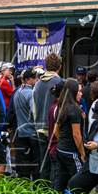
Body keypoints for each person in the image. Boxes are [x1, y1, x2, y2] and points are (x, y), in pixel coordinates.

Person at [33, 53, 64, 181]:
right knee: (55, 164)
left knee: (43, 164)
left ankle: (43, 193)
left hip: (40, 128)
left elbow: (33, 108)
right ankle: (53, 193)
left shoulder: (38, 84)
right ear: (60, 66)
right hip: (54, 129)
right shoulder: (60, 82)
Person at [54, 79, 86, 192]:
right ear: (73, 92)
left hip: (61, 149)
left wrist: (62, 141)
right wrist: (82, 154)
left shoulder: (61, 106)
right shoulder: (74, 110)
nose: (81, 94)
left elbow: (55, 130)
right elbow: (76, 135)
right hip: (72, 152)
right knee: (79, 184)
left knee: (60, 183)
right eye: (79, 91)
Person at [13, 68, 38, 180]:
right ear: (28, 80)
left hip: (20, 131)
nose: (36, 80)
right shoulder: (31, 93)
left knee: (23, 162)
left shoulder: (17, 92)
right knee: (35, 161)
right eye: (34, 78)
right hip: (31, 132)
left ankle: (24, 185)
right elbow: (35, 113)